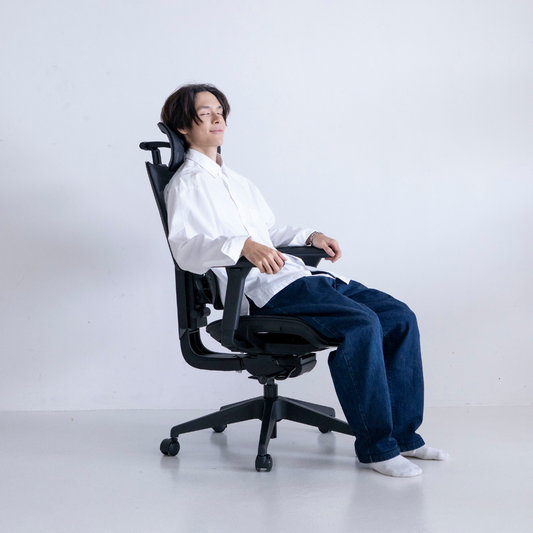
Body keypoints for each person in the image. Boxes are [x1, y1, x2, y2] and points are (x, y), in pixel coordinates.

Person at [161, 83, 448, 477]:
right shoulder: (186, 183)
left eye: (220, 111)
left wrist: (309, 236)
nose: (217, 119)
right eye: (204, 113)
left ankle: (404, 436)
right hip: (263, 290)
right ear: (182, 126)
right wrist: (242, 246)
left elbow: (269, 232)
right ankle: (378, 448)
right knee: (361, 325)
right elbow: (185, 249)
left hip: (298, 276)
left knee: (399, 317)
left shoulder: (236, 181)